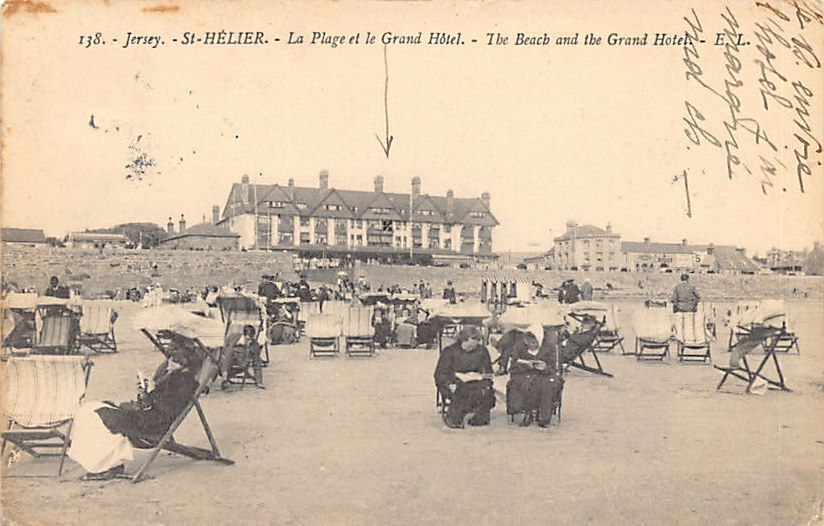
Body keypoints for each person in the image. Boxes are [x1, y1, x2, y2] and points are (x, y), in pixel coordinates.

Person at [68, 334, 204, 480]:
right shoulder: (172, 377)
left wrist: (152, 392)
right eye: (171, 359)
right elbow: (151, 403)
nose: (170, 363)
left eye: (175, 362)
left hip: (151, 424)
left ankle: (107, 466)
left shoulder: (185, 384)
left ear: (186, 366)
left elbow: (167, 410)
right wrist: (144, 392)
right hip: (146, 417)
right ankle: (107, 462)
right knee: (90, 409)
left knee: (95, 415)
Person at [434, 325, 495, 429]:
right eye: (468, 346)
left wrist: (487, 380)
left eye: (473, 347)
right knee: (461, 390)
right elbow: (441, 373)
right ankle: (454, 418)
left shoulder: (482, 351)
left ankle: (479, 417)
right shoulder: (449, 351)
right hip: (454, 381)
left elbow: (488, 370)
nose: (471, 349)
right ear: (462, 340)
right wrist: (448, 384)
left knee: (486, 391)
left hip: (476, 381)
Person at [506, 324, 563, 428]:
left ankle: (543, 417)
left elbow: (553, 369)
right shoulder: (519, 347)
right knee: (525, 383)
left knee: (545, 384)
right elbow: (513, 366)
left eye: (534, 342)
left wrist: (545, 367)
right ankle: (528, 412)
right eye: (529, 342)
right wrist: (526, 365)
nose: (531, 345)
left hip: (544, 375)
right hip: (524, 373)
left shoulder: (549, 348)